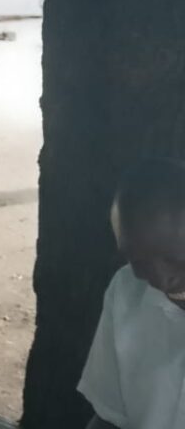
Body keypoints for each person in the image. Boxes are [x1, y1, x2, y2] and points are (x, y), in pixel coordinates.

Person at [79, 158, 185, 429]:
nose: (161, 279)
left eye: (174, 258)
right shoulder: (127, 291)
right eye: (139, 262)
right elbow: (109, 416)